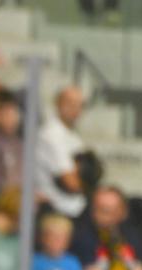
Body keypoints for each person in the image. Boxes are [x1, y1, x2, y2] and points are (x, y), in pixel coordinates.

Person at [37, 86, 90, 218]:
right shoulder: (51, 135)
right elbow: (70, 182)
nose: (75, 109)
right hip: (56, 210)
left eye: (80, 105)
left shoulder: (73, 136)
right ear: (57, 104)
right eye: (70, 103)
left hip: (74, 207)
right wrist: (90, 184)